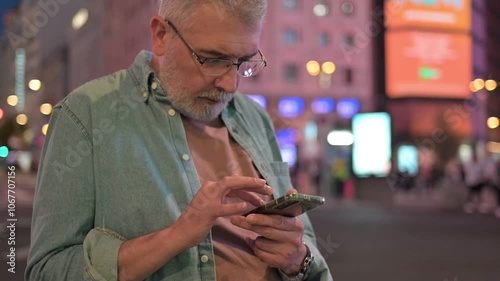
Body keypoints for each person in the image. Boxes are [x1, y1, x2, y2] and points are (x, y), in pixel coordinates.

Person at [25, 1, 334, 280]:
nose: (230, 83)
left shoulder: (256, 118)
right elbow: (47, 269)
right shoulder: (86, 115)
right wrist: (178, 235)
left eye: (244, 61)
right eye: (213, 59)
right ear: (161, 35)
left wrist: (298, 259)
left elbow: (306, 248)